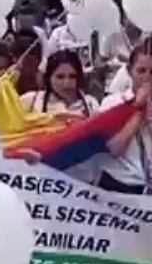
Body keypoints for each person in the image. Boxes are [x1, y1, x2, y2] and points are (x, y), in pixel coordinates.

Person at [98, 47, 152, 195]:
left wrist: (150, 115)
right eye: (141, 71)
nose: (147, 77)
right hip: (120, 182)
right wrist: (136, 112)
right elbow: (112, 149)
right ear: (129, 70)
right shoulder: (111, 103)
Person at [21, 50, 102, 182]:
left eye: (72, 76)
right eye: (60, 77)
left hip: (83, 183)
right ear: (49, 77)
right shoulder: (31, 101)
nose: (67, 83)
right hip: (41, 180)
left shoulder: (91, 104)